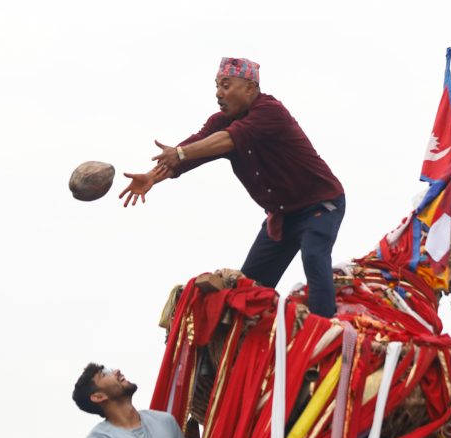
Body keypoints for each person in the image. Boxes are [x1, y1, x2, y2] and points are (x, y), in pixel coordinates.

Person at [119, 57, 345, 318]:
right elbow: (192, 150)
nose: (218, 93)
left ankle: (324, 330)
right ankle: (246, 346)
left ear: (250, 88)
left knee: (314, 259)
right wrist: (151, 178)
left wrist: (181, 153)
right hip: (282, 216)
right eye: (216, 86)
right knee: (250, 287)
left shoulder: (270, 111)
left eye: (226, 85)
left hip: (319, 206)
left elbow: (224, 141)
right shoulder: (220, 122)